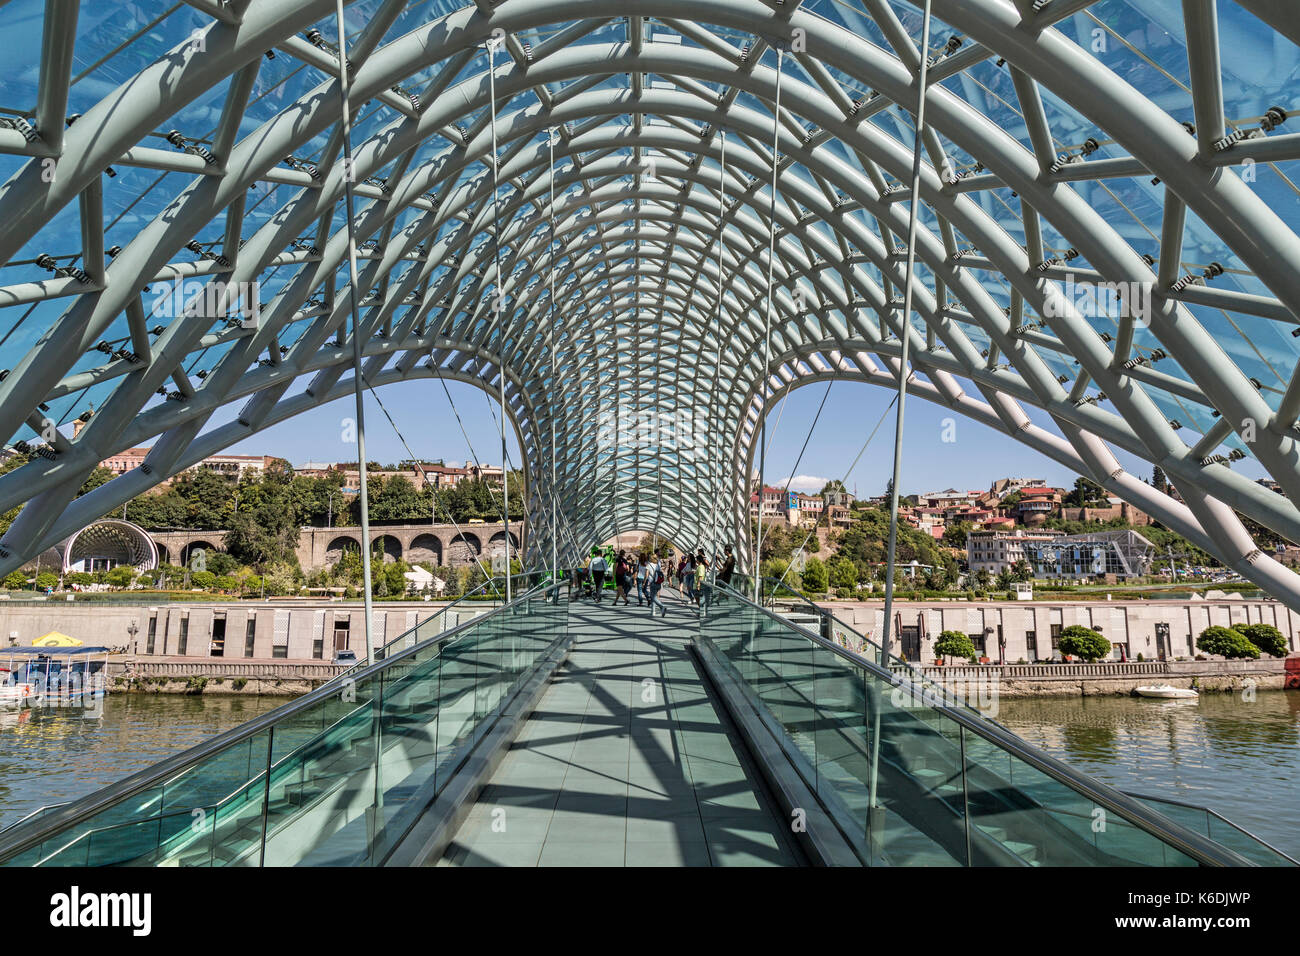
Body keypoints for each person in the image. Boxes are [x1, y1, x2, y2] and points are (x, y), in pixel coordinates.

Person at [645, 552, 666, 617]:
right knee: (654, 597)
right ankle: (653, 612)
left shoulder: (648, 565)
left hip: (652, 583)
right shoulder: (658, 565)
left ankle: (662, 606)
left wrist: (644, 582)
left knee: (653, 597)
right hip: (658, 583)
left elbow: (646, 575)